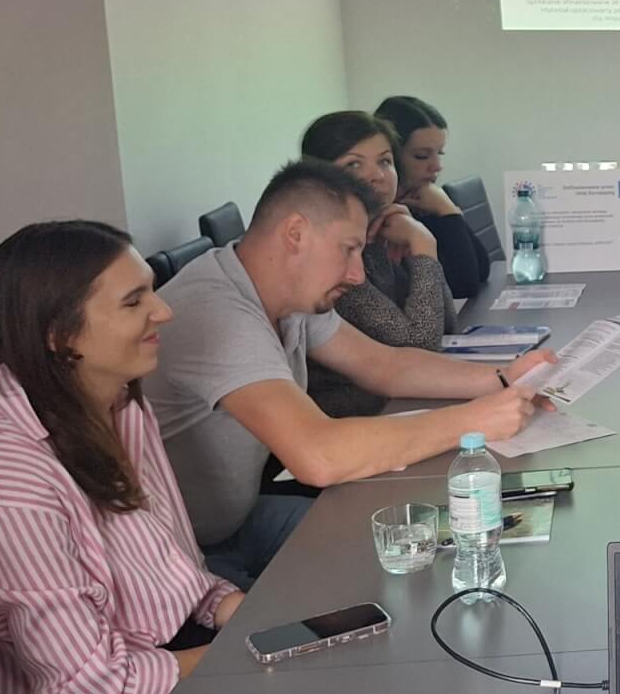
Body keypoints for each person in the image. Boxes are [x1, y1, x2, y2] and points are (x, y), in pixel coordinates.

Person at [0, 221, 244, 694]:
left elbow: (173, 568)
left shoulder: (117, 404)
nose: (164, 311)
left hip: (167, 658)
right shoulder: (8, 495)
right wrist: (239, 654)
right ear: (60, 334)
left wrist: (234, 609)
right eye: (134, 301)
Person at [144, 159, 553, 585]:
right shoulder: (219, 313)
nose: (357, 275)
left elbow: (383, 365)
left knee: (418, 546)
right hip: (180, 559)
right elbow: (319, 456)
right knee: (390, 579)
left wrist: (501, 379)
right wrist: (474, 422)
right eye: (348, 249)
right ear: (295, 233)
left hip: (241, 521)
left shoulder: (284, 292)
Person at [299, 110, 455, 418]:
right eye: (353, 164)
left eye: (384, 161)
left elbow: (447, 325)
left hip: (392, 404)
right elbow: (421, 349)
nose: (378, 176)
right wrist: (424, 246)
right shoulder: (328, 252)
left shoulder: (381, 231)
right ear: (317, 177)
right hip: (345, 419)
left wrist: (415, 245)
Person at [374, 93, 488, 299]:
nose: (437, 166)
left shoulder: (421, 202)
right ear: (391, 158)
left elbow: (482, 269)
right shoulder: (385, 220)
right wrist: (449, 214)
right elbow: (463, 285)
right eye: (422, 156)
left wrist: (448, 209)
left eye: (439, 153)